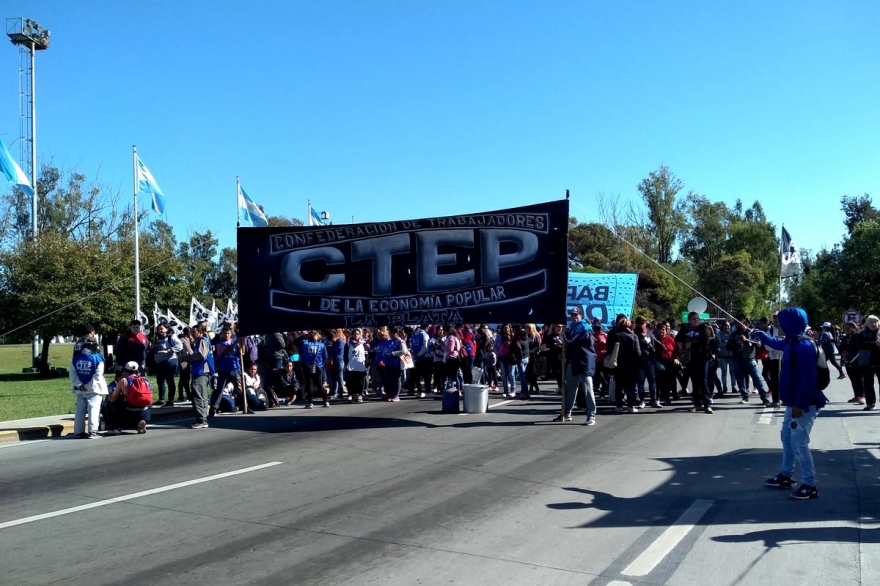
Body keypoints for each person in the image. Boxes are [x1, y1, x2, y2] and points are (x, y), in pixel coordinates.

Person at [753, 307, 829, 499]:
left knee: (799, 443)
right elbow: (777, 343)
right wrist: (761, 335)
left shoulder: (803, 347)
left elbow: (808, 379)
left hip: (805, 403)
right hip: (795, 402)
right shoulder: (793, 342)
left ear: (790, 325)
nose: (777, 325)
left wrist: (800, 404)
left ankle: (810, 485)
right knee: (787, 438)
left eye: (780, 323)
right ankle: (786, 476)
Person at [554, 306, 597, 424]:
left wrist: (564, 337)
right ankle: (566, 413)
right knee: (570, 389)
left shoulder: (585, 328)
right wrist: (563, 346)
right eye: (572, 315)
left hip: (585, 362)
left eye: (576, 314)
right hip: (574, 362)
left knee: (588, 390)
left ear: (581, 315)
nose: (573, 317)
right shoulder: (572, 327)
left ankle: (591, 415)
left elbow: (573, 341)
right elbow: (570, 344)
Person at [69, 331, 109, 439]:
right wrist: (89, 386)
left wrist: (80, 385)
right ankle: (93, 432)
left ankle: (78, 431)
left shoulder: (76, 357)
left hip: (79, 389)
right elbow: (98, 375)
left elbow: (72, 374)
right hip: (95, 389)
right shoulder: (98, 358)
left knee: (79, 411)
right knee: (94, 410)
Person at [675, 312, 713, 413]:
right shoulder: (685, 328)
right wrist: (679, 343)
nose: (696, 320)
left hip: (702, 358)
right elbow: (677, 338)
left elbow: (706, 341)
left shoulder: (703, 328)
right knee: (695, 382)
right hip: (690, 358)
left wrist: (692, 343)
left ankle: (707, 404)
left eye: (697, 318)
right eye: (693, 319)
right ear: (689, 320)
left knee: (703, 382)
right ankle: (697, 404)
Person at [103, 361, 152, 435]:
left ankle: (114, 427)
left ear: (125, 371)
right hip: (145, 410)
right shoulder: (145, 380)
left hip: (129, 409)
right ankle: (139, 422)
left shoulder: (124, 381)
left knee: (110, 404)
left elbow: (112, 398)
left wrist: (110, 392)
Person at [180, 324, 213, 429]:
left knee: (198, 396)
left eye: (195, 331)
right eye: (192, 331)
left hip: (201, 371)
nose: (192, 333)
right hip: (199, 371)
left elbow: (201, 356)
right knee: (200, 395)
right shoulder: (199, 341)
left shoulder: (202, 341)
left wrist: (188, 357)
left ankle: (201, 419)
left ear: (200, 332)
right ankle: (202, 419)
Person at [150, 323, 183, 407]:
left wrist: (168, 350)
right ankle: (161, 399)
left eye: (162, 329)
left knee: (170, 380)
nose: (160, 330)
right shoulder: (157, 338)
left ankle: (170, 400)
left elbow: (179, 346)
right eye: (158, 329)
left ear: (167, 329)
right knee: (160, 381)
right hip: (159, 362)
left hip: (170, 360)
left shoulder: (171, 336)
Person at [857, 315, 880, 411]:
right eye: (871, 322)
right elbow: (861, 345)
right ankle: (870, 403)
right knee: (868, 383)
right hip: (867, 361)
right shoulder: (862, 334)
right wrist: (875, 343)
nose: (873, 324)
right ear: (867, 323)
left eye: (875, 322)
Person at [300, 330, 329, 408]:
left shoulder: (305, 344)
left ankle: (310, 403)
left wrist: (305, 336)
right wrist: (321, 364)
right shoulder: (321, 345)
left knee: (310, 384)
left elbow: (301, 354)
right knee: (319, 384)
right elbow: (325, 356)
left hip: (308, 366)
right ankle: (325, 401)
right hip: (318, 365)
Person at [345, 328, 368, 402]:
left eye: (357, 334)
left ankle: (360, 394)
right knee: (351, 381)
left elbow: (366, 354)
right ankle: (351, 394)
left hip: (360, 365)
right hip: (351, 365)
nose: (356, 335)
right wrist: (346, 363)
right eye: (354, 334)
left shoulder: (363, 343)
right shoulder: (348, 344)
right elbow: (345, 355)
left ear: (360, 335)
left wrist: (366, 364)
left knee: (360, 381)